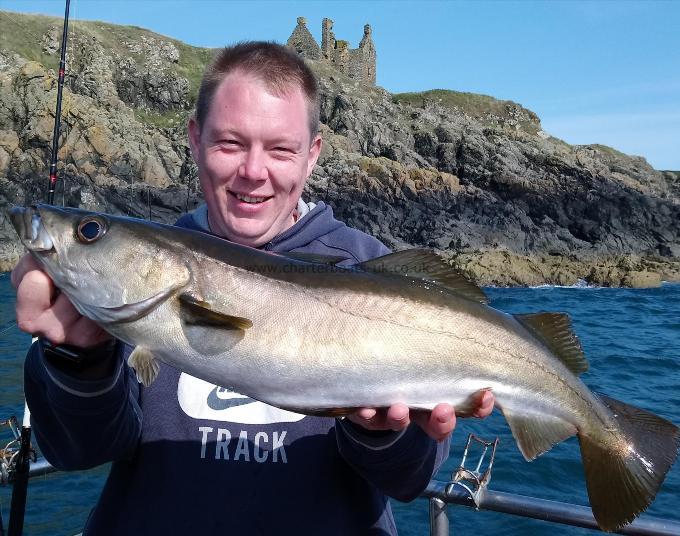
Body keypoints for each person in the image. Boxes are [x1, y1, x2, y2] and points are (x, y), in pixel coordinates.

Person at [12, 42, 494, 534]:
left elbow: (410, 479)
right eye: (229, 143)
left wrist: (379, 435)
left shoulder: (372, 270)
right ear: (195, 140)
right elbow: (81, 450)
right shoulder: (131, 279)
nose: (254, 172)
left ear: (312, 155)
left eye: (281, 149)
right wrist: (77, 361)